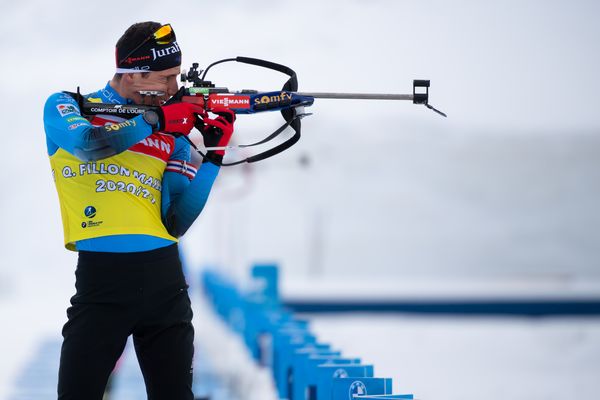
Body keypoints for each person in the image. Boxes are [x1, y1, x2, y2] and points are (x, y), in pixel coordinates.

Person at [43, 21, 234, 400]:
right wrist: (156, 120)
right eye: (165, 78)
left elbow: (177, 220)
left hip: (165, 283)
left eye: (177, 78)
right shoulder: (68, 106)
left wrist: (213, 157)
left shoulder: (172, 135)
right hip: (102, 284)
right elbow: (90, 145)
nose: (173, 89)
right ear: (134, 73)